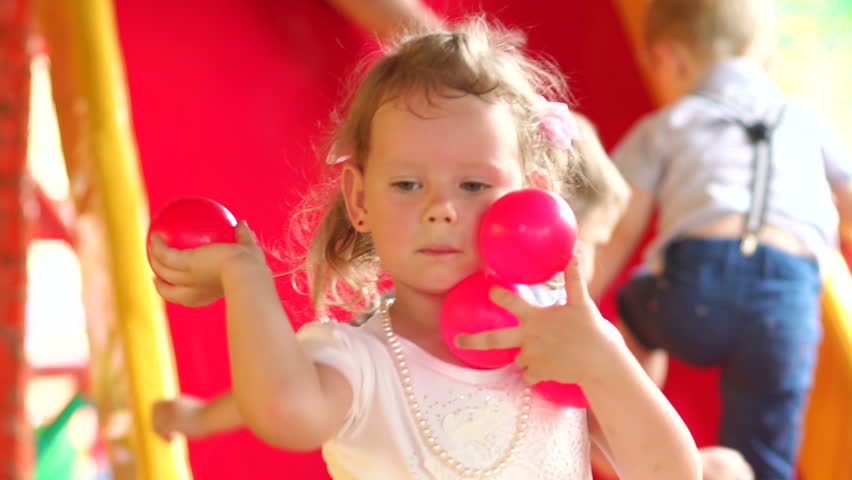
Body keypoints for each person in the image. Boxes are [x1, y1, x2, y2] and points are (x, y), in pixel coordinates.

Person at [148, 18, 700, 479]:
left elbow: (674, 473)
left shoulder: (561, 339)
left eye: (474, 185)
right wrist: (246, 276)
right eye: (408, 185)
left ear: (531, 196)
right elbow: (285, 414)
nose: (441, 209)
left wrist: (604, 363)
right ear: (360, 200)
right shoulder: (359, 362)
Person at [587, 1, 852, 479]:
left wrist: (579, 305)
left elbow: (617, 225)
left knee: (635, 305)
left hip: (694, 295)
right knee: (764, 456)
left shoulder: (668, 124)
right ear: (761, 56)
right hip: (788, 308)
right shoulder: (803, 119)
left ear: (670, 59)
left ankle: (636, 437)